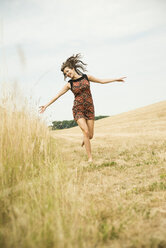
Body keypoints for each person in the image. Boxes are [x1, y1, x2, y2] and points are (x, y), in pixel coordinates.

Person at [39, 53, 126, 163]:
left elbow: (101, 81)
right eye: (66, 73)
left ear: (73, 68)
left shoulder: (86, 77)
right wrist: (46, 105)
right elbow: (57, 95)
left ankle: (85, 138)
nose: (68, 74)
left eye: (68, 71)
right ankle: (90, 158)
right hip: (78, 109)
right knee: (85, 131)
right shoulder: (69, 84)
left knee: (90, 135)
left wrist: (115, 79)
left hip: (89, 108)